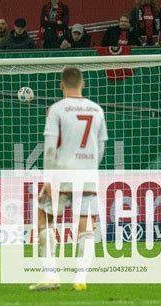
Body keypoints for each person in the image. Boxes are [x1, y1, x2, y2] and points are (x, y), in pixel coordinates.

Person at [29, 67, 108, 291]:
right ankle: (80, 277)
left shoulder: (56, 109)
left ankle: (51, 275)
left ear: (62, 84)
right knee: (86, 225)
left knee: (43, 217)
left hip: (62, 173)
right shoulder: (97, 109)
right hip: (88, 174)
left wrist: (48, 178)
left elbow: (50, 148)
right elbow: (101, 146)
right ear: (82, 83)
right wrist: (90, 167)